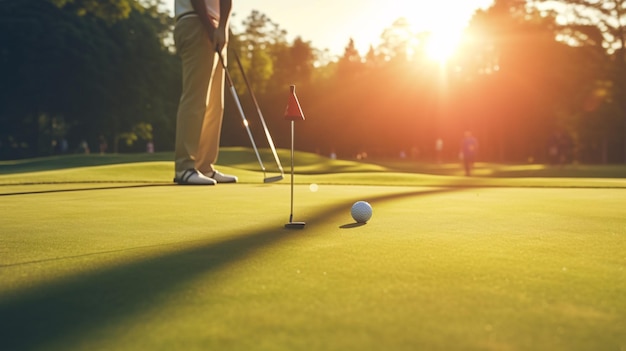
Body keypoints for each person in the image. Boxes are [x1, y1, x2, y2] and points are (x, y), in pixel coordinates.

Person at [173, 0, 237, 185]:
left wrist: (223, 28)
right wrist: (211, 28)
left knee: (216, 104)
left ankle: (204, 167)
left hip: (216, 27)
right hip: (195, 21)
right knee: (196, 99)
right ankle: (185, 167)